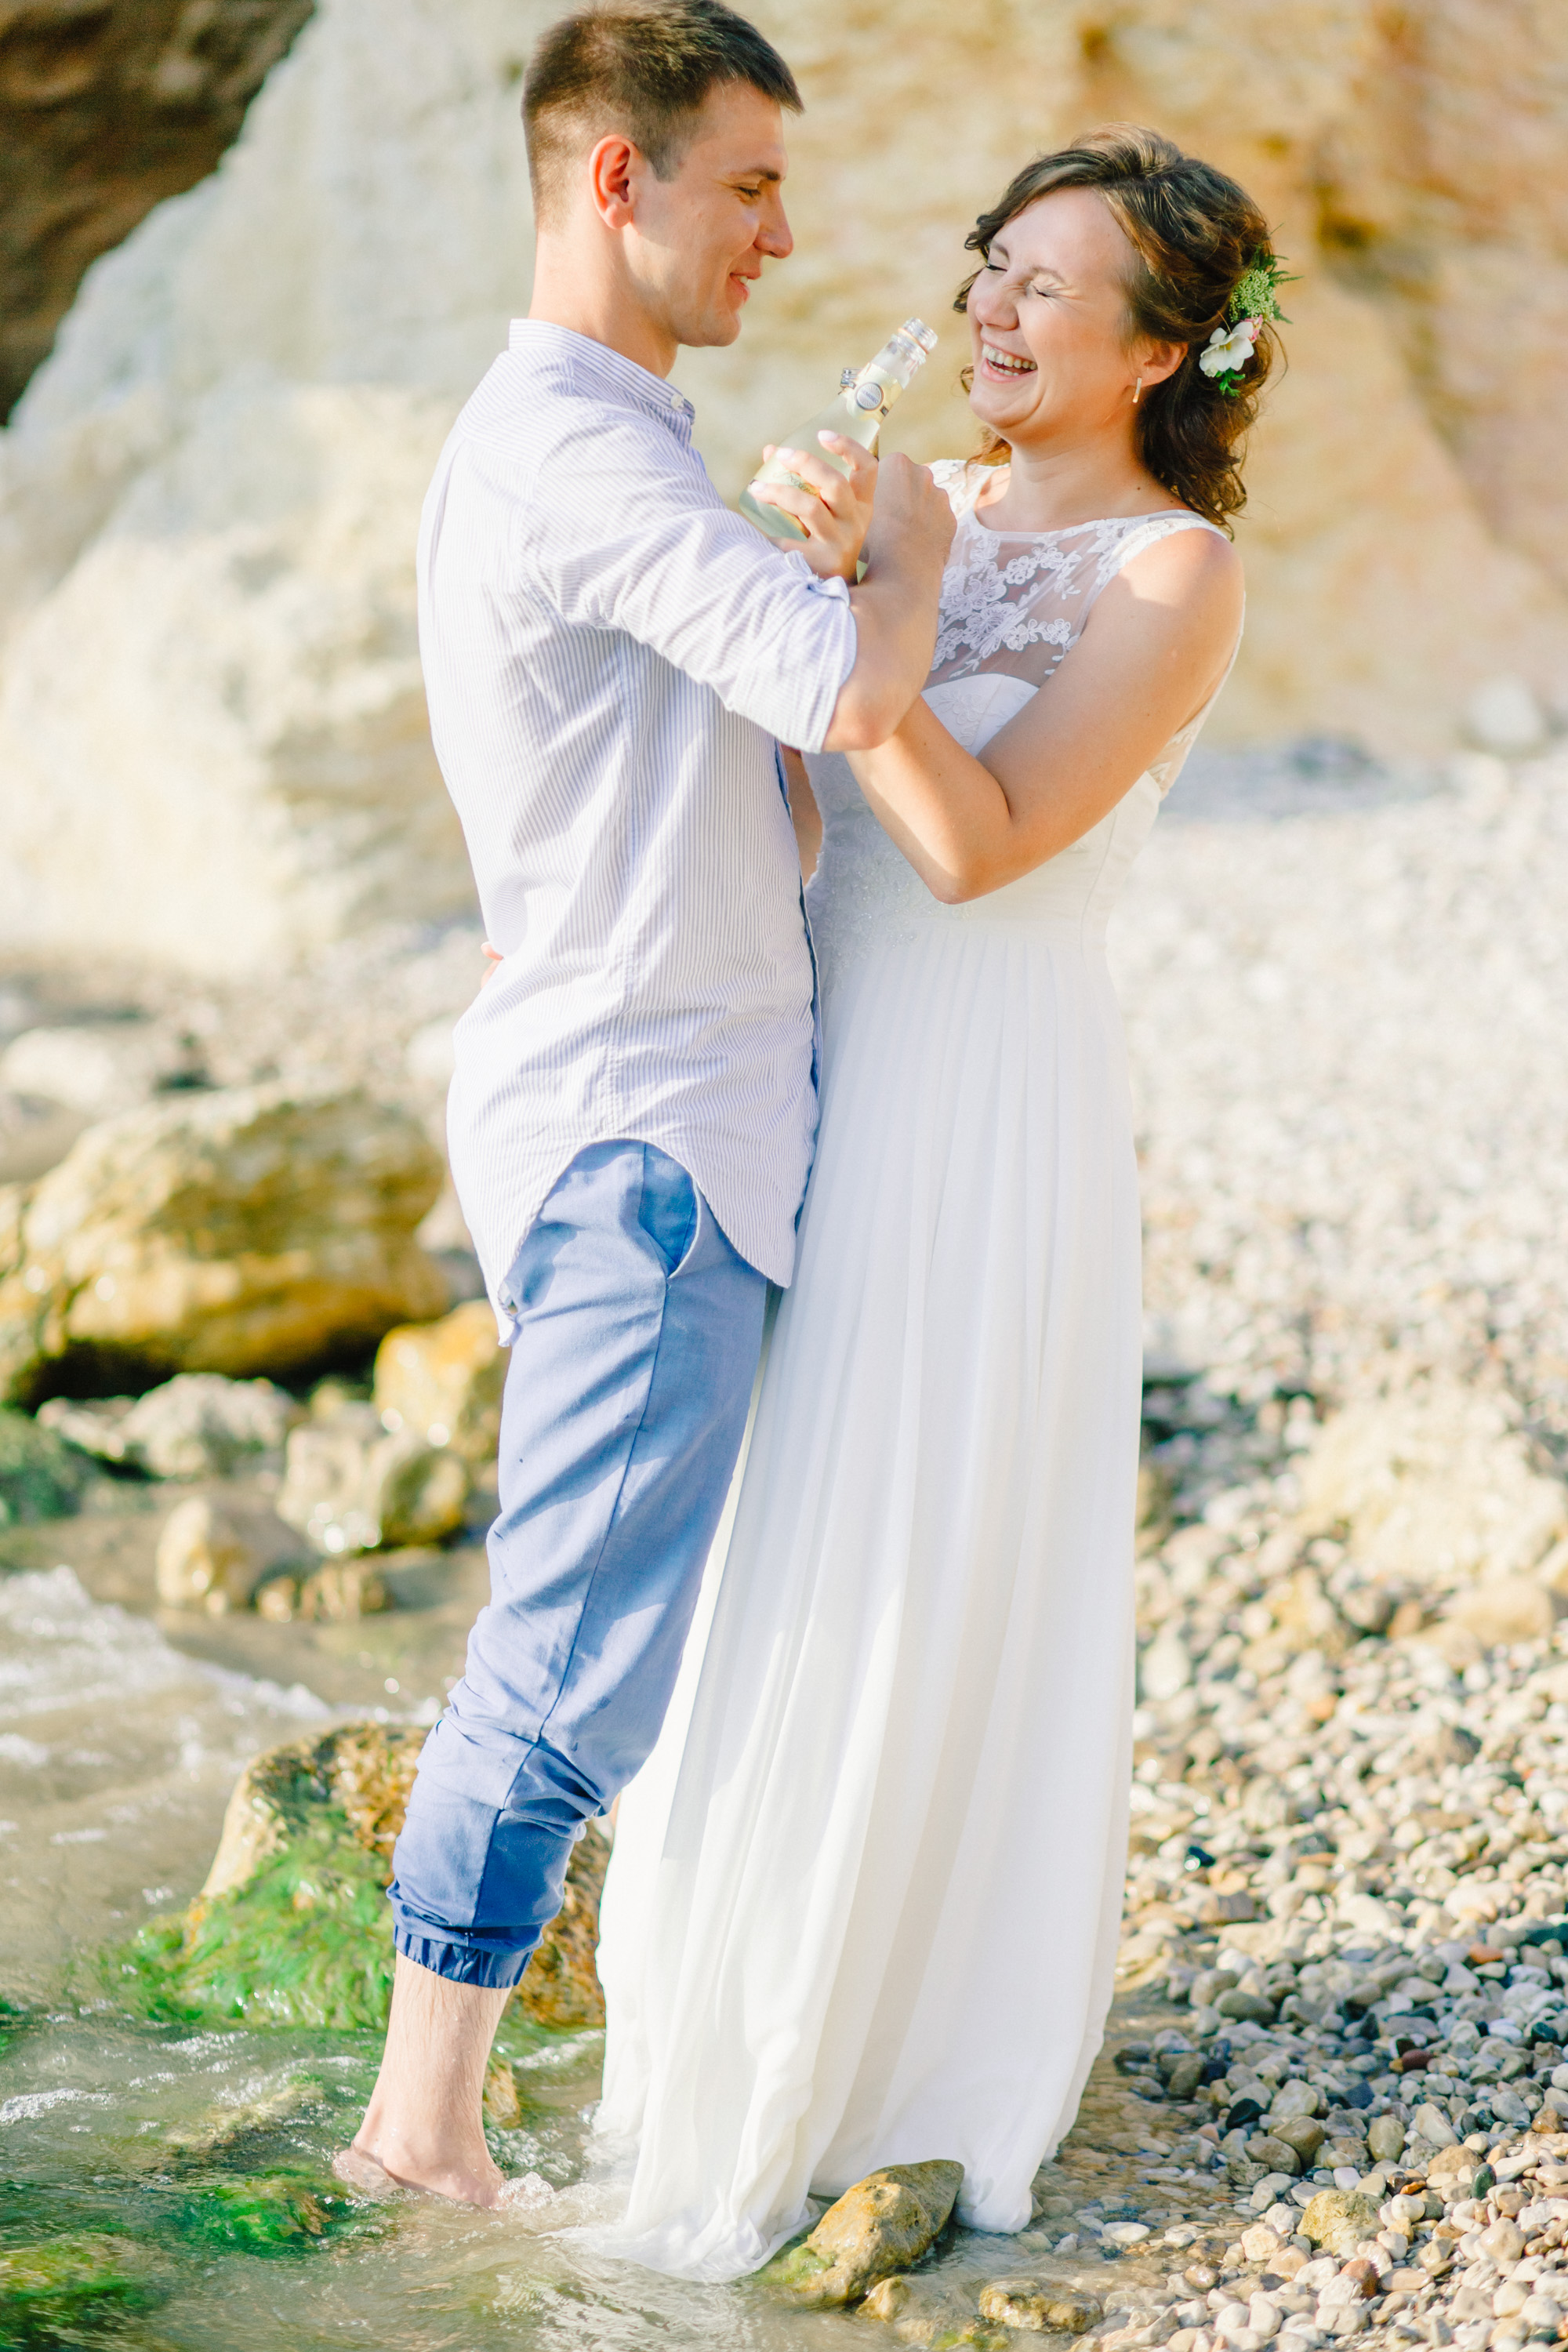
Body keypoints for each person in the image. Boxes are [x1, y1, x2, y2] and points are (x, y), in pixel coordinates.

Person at [593, 125, 1276, 2278]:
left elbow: (982, 844)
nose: (989, 306)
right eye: (991, 264)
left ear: (1164, 349)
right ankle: (713, 2034)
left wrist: (876, 604)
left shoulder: (1177, 572)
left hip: (992, 1106)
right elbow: (811, 800)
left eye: (1047, 287)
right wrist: (803, 594)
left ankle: (896, 2066)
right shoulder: (939, 503)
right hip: (815, 1071)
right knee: (769, 1551)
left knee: (919, 1539)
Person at [341, 0, 954, 2207]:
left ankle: (455, 2107)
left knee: (593, 1633)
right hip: (647, 1147)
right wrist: (912, 547)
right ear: (621, 180)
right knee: (573, 1650)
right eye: (752, 184)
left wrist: (811, 580)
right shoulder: (581, 453)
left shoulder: (585, 443)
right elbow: (847, 686)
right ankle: (420, 2139)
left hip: (649, 1116)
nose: (784, 234)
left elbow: (761, 807)